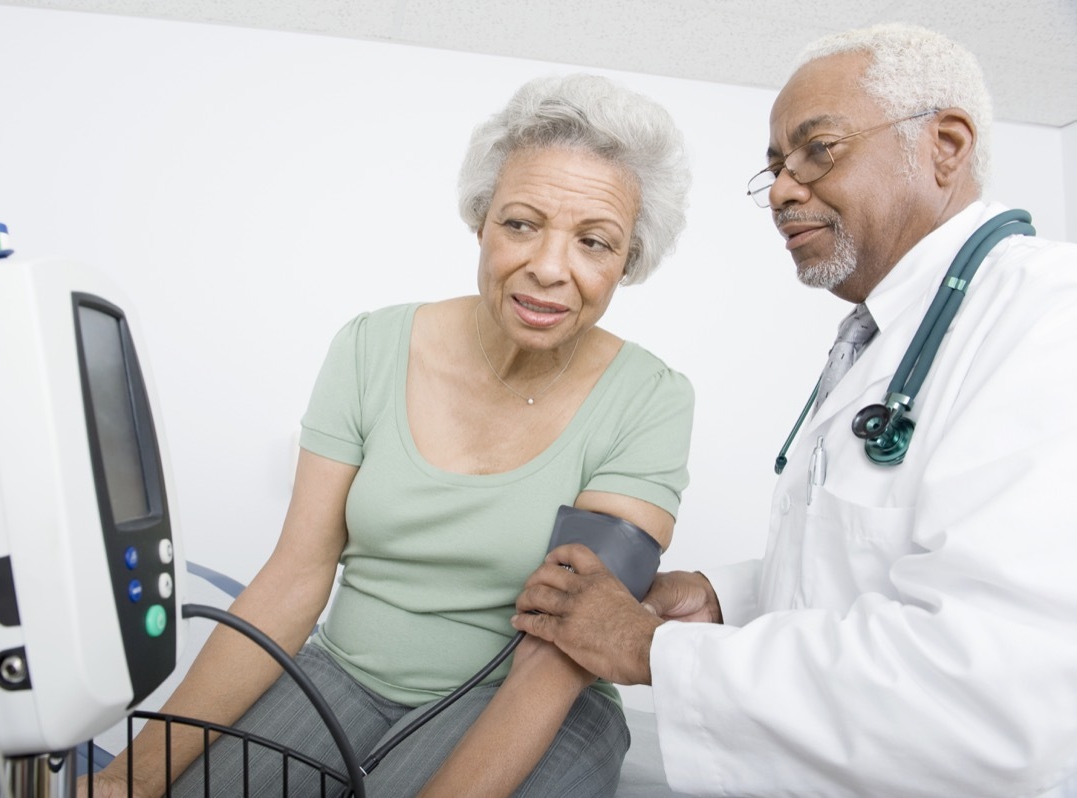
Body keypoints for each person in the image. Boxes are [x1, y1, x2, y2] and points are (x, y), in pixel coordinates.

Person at [86, 73, 695, 798]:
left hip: (536, 698)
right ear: (481, 220)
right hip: (342, 673)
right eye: (521, 223)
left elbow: (568, 642)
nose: (549, 267)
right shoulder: (371, 347)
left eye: (594, 242)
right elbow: (294, 575)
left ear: (628, 262)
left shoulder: (651, 400)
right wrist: (125, 782)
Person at [513, 23, 1077, 798]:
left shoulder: (1050, 321)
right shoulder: (885, 335)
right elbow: (868, 564)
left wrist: (651, 650)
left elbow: (994, 692)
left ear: (944, 146)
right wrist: (724, 597)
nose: (781, 188)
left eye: (819, 150)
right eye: (775, 166)